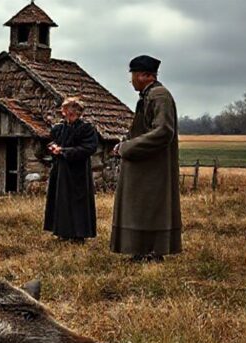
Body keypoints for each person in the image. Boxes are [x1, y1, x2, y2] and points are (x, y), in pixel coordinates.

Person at [111, 55, 182, 262]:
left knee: (150, 207)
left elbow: (163, 131)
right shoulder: (148, 96)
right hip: (143, 164)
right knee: (139, 207)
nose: (131, 80)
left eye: (133, 75)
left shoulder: (159, 96)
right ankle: (141, 250)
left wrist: (127, 148)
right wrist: (124, 142)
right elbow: (143, 129)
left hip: (153, 167)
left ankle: (152, 252)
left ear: (144, 75)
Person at [43, 97, 99, 243]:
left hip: (77, 173)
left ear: (72, 113)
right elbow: (50, 141)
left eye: (65, 110)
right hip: (61, 171)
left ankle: (78, 235)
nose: (62, 112)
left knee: (77, 203)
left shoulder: (86, 129)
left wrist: (64, 151)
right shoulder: (59, 128)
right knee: (61, 201)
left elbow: (88, 148)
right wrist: (53, 147)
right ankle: (62, 233)